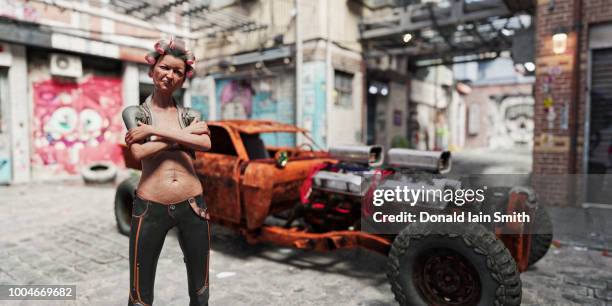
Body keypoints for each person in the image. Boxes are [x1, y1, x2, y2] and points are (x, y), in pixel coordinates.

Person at [122, 38, 211, 306]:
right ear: (152, 70)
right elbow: (138, 153)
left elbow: (205, 143)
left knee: (201, 287)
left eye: (178, 72)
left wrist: (154, 131)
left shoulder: (190, 113)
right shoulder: (135, 113)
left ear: (184, 79)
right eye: (165, 68)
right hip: (151, 207)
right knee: (139, 290)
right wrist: (182, 138)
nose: (170, 75)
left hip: (193, 205)